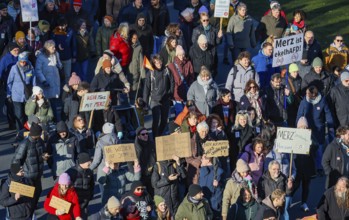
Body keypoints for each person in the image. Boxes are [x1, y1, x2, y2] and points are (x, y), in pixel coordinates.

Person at [11, 122, 47, 214]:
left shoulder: (40, 141)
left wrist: (45, 155)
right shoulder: (25, 143)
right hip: (28, 174)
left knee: (38, 191)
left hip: (38, 172)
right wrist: (16, 173)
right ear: (36, 133)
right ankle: (29, 210)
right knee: (29, 194)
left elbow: (43, 151)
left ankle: (33, 206)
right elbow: (16, 159)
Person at [297, 85, 334, 173]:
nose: (308, 96)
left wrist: (330, 125)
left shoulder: (322, 101)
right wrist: (297, 127)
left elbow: (327, 113)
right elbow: (299, 115)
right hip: (306, 128)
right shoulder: (304, 102)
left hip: (319, 128)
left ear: (315, 95)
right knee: (307, 149)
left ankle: (319, 167)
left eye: (310, 94)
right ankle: (308, 169)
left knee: (319, 149)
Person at [143, 54, 174, 137]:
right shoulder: (150, 73)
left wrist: (170, 93)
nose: (159, 64)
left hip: (165, 98)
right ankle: (155, 138)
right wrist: (145, 103)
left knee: (164, 121)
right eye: (156, 62)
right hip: (155, 99)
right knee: (156, 120)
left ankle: (159, 136)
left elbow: (172, 82)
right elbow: (146, 88)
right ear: (153, 63)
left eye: (160, 61)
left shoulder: (167, 70)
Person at [7, 52, 35, 130]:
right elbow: (9, 82)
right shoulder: (14, 68)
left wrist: (35, 93)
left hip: (27, 95)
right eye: (21, 61)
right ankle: (19, 133)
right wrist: (8, 94)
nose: (23, 63)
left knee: (28, 114)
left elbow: (34, 81)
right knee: (19, 116)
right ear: (19, 61)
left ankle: (28, 133)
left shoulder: (31, 68)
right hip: (17, 95)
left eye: (24, 61)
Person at [292, 117, 316, 212]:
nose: (303, 129)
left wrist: (312, 143)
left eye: (305, 127)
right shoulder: (294, 136)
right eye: (301, 127)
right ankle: (288, 200)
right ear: (298, 127)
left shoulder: (310, 135)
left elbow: (316, 146)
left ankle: (304, 203)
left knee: (306, 186)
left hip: (307, 165)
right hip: (297, 165)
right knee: (295, 185)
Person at [35, 40, 62, 122]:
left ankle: (55, 120)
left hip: (55, 80)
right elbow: (38, 70)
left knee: (54, 101)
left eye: (54, 46)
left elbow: (60, 65)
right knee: (48, 102)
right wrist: (43, 81)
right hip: (47, 82)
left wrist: (59, 65)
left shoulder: (56, 54)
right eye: (52, 47)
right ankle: (53, 120)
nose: (54, 48)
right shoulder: (41, 57)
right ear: (47, 48)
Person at [90, 123, 119, 195]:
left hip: (103, 170)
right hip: (116, 169)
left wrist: (89, 169)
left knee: (105, 194)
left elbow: (97, 160)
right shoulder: (118, 140)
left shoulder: (100, 142)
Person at [191, 12, 222, 77]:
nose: (205, 21)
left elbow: (218, 42)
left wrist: (219, 37)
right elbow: (194, 42)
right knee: (201, 73)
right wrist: (202, 44)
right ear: (201, 20)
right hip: (201, 54)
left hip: (212, 52)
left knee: (211, 72)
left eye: (207, 20)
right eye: (204, 20)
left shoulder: (214, 29)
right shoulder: (196, 30)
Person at [167, 45, 195, 116]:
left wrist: (190, 85)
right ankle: (179, 126)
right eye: (180, 55)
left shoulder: (188, 63)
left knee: (187, 112)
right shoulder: (171, 66)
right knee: (179, 112)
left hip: (187, 91)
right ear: (177, 55)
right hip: (177, 92)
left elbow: (192, 76)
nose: (182, 56)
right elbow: (170, 80)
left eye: (183, 54)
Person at [66, 152, 95, 219]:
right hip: (73, 205)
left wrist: (90, 196)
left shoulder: (89, 172)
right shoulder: (71, 172)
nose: (90, 163)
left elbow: (92, 185)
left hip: (84, 204)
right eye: (89, 161)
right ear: (82, 162)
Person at [52, 16, 75, 84]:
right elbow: (51, 42)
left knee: (67, 75)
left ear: (66, 25)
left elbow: (73, 44)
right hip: (58, 58)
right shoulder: (55, 32)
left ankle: (67, 92)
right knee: (58, 76)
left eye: (63, 26)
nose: (61, 28)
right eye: (60, 26)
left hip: (68, 57)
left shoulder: (70, 31)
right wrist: (57, 45)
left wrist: (74, 56)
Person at [134, 126, 156, 196]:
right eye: (143, 134)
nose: (145, 135)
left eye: (146, 133)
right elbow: (130, 163)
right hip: (142, 175)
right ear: (138, 136)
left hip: (153, 173)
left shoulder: (152, 144)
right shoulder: (135, 148)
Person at [127, 31, 146, 103]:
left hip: (135, 72)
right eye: (133, 38)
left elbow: (141, 62)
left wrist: (143, 75)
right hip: (127, 71)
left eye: (136, 38)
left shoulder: (139, 47)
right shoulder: (127, 46)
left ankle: (135, 105)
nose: (135, 40)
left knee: (135, 91)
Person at [284, 63, 302, 127]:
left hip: (297, 104)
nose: (296, 73)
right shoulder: (285, 81)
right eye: (294, 72)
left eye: (297, 72)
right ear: (290, 72)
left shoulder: (299, 79)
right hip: (289, 105)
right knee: (291, 122)